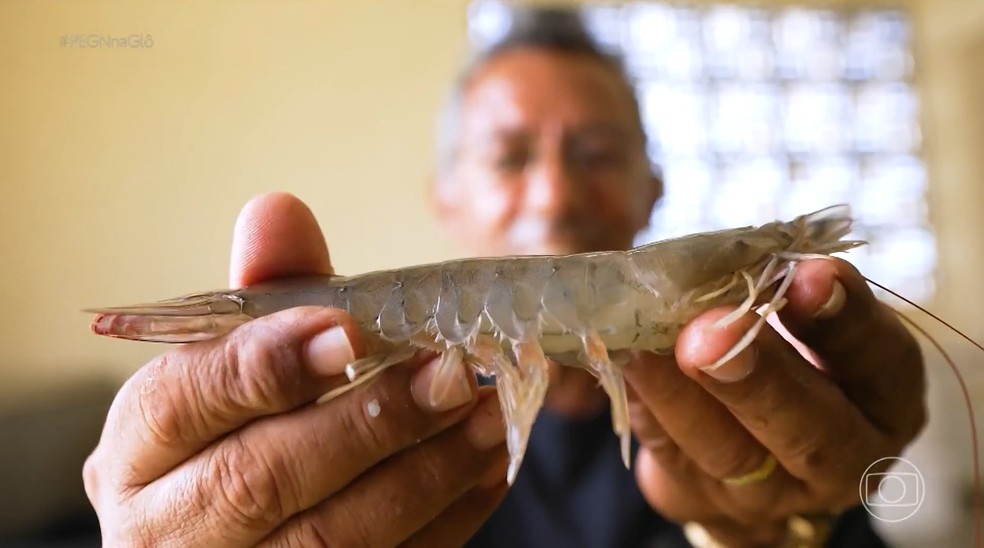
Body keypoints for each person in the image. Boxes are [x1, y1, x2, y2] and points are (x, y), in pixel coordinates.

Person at [82, 7, 926, 547]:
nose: (555, 193)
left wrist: (799, 526)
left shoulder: (773, 403)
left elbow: (824, 506)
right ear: (444, 196)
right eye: (508, 156)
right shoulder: (321, 435)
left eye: (595, 153)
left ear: (653, 193)